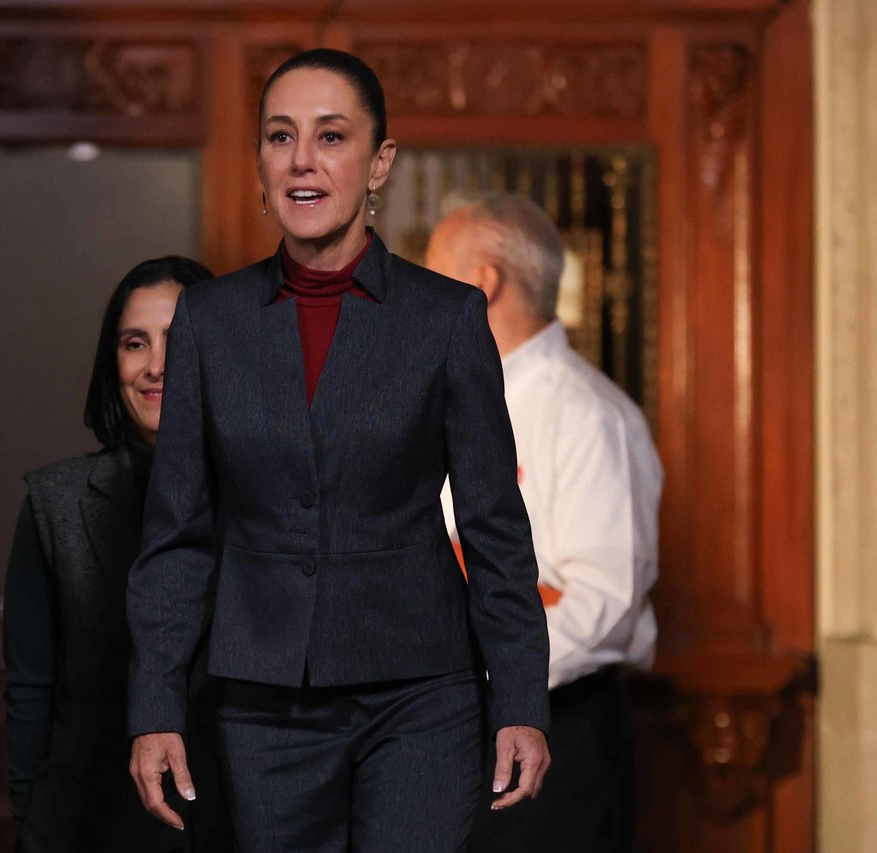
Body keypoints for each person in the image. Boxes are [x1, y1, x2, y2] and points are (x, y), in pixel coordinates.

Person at [126, 49, 551, 853]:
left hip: (422, 693)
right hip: (262, 702)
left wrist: (522, 699)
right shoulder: (210, 322)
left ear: (379, 161)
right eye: (280, 136)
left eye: (330, 136)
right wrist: (154, 706)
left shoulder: (447, 318)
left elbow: (495, 526)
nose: (302, 160)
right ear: (260, 161)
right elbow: (175, 537)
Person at [426, 194, 663, 853]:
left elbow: (603, 605)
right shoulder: (448, 399)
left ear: (483, 281)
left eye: (432, 272)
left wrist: (463, 650)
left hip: (557, 731)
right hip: (443, 731)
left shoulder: (591, 417)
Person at [2, 255, 231, 853]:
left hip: (234, 823)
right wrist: (27, 826)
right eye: (135, 344)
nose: (156, 365)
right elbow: (31, 691)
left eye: (177, 340)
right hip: (85, 823)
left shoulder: (269, 499)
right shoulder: (55, 504)